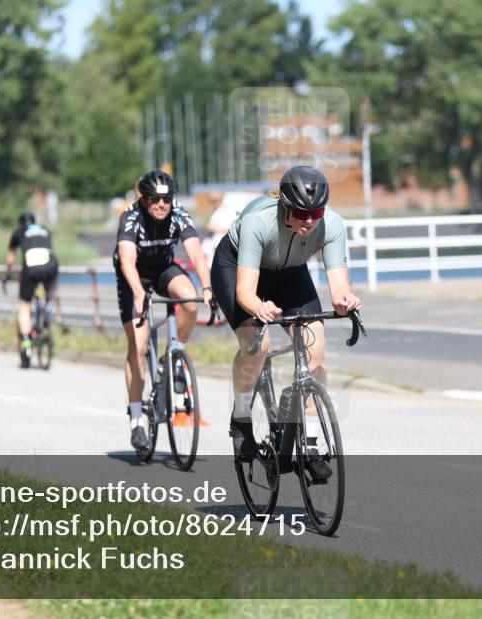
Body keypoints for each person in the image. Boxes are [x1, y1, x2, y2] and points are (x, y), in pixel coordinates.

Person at [210, 165, 361, 470]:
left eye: (316, 213)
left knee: (316, 352)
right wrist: (258, 307)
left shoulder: (332, 224)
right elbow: (245, 292)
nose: (310, 221)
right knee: (257, 346)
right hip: (237, 269)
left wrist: (345, 301)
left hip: (290, 273)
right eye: (302, 213)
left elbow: (339, 288)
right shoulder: (257, 222)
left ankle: (311, 443)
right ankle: (241, 417)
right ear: (285, 207)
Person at [114, 170, 212, 451]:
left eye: (167, 199)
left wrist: (207, 287)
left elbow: (195, 253)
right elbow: (127, 261)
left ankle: (174, 357)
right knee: (138, 345)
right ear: (144, 200)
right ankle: (137, 421)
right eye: (155, 199)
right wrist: (138, 293)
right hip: (133, 276)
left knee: (190, 299)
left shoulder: (178, 213)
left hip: (162, 270)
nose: (161, 204)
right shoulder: (130, 217)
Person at [4, 212, 60, 367]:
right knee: (50, 289)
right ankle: (48, 306)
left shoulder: (19, 232)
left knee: (25, 305)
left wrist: (7, 275)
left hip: (31, 268)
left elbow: (11, 257)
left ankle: (27, 344)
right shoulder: (45, 230)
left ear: (20, 224)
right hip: (51, 265)